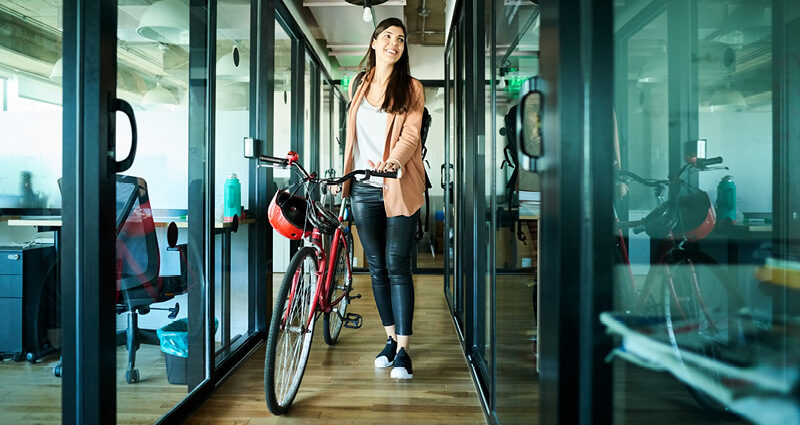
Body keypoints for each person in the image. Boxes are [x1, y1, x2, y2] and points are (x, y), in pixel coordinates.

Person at [333, 17, 426, 380]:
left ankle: (404, 349)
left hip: (397, 184)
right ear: (374, 42)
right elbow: (352, 137)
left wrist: (392, 162)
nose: (394, 42)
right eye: (387, 36)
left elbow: (410, 136)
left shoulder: (412, 88)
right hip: (362, 188)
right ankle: (389, 339)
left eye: (400, 39)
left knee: (397, 264)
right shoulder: (359, 84)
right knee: (375, 265)